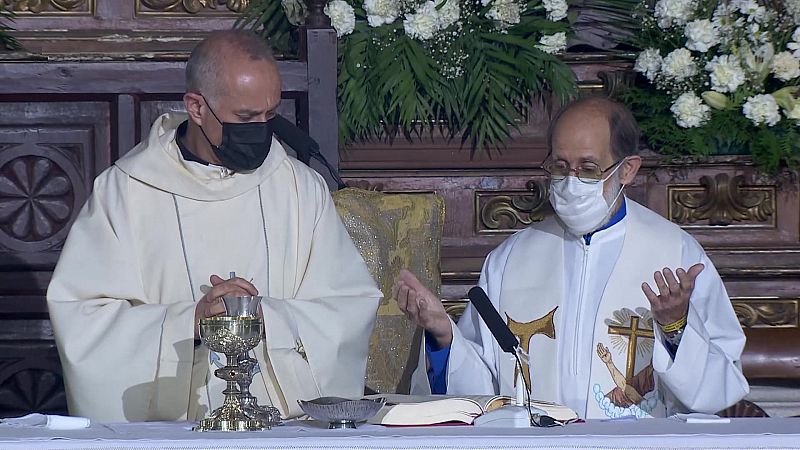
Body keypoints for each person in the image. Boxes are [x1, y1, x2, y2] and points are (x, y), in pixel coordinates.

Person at [46, 30, 382, 422]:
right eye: (245, 117)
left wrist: (263, 320)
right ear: (197, 107)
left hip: (283, 427)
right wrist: (189, 322)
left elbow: (348, 307)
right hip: (175, 433)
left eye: (269, 116)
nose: (260, 129)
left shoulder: (298, 187)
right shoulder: (127, 192)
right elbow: (82, 319)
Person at [395, 97, 749, 419]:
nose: (570, 181)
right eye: (560, 166)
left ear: (627, 170)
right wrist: (444, 336)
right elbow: (482, 389)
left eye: (589, 168)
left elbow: (718, 389)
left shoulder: (676, 254)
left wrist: (675, 329)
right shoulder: (512, 257)